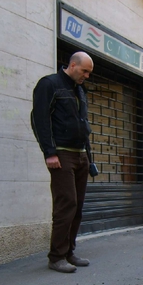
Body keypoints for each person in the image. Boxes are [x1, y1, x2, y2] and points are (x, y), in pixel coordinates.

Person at [31, 51, 94, 273]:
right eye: (84, 71)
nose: (86, 76)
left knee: (76, 207)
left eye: (89, 72)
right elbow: (39, 119)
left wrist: (89, 154)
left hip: (80, 154)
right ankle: (56, 257)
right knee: (65, 204)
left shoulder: (79, 89)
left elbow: (82, 122)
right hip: (61, 154)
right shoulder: (50, 84)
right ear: (73, 64)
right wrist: (49, 152)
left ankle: (68, 252)